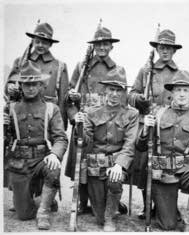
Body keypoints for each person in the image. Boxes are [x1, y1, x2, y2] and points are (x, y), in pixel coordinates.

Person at [64, 24, 128, 215]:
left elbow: (122, 99)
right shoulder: (81, 67)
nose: (102, 47)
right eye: (98, 44)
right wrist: (75, 117)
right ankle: (82, 202)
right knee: (81, 163)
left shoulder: (117, 69)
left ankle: (108, 203)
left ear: (111, 46)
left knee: (102, 165)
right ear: (93, 46)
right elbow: (69, 94)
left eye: (106, 44)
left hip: (104, 124)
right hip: (84, 122)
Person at [136, 70, 189, 231]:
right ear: (172, 93)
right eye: (178, 90)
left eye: (186, 90)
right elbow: (140, 146)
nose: (182, 95)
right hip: (162, 174)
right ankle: (167, 211)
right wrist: (145, 130)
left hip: (186, 171)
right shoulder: (157, 114)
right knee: (167, 225)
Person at [4, 61, 68, 230]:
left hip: (42, 160)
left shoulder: (51, 108)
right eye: (26, 84)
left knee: (53, 168)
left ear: (41, 85)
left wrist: (54, 154)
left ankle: (44, 211)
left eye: (34, 84)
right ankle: (43, 199)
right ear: (20, 85)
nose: (30, 88)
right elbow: (5, 142)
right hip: (20, 164)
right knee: (23, 215)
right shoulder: (10, 109)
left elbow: (61, 138)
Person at [74, 68, 139, 231]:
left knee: (114, 183)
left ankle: (111, 217)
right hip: (95, 167)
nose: (115, 94)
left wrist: (119, 165)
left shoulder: (131, 114)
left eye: (119, 90)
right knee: (99, 217)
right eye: (111, 89)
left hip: (116, 166)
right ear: (105, 90)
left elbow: (130, 144)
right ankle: (113, 206)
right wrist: (79, 127)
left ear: (124, 92)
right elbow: (85, 142)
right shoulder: (91, 111)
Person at [128, 29, 182, 219]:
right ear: (157, 48)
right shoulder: (146, 70)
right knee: (145, 166)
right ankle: (146, 205)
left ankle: (167, 207)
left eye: (168, 47)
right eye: (161, 47)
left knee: (167, 166)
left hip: (169, 124)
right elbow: (131, 94)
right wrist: (139, 99)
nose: (165, 51)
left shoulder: (179, 73)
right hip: (148, 121)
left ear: (174, 50)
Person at [6, 22, 69, 129]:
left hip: (48, 117)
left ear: (50, 44)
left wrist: (61, 124)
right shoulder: (20, 62)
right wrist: (10, 88)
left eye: (44, 42)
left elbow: (63, 98)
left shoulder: (59, 66)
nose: (40, 45)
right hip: (23, 116)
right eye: (37, 41)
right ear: (32, 41)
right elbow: (9, 85)